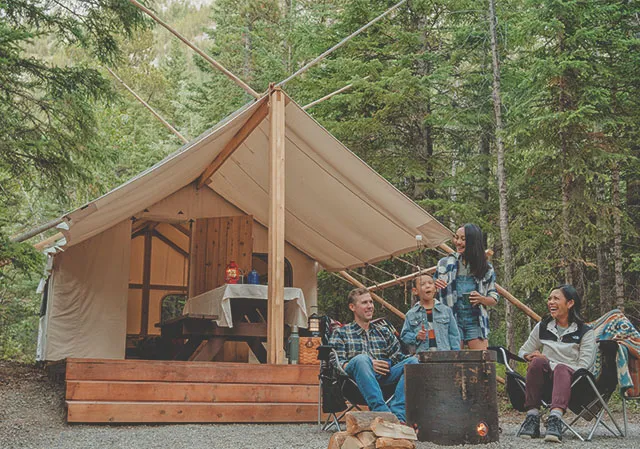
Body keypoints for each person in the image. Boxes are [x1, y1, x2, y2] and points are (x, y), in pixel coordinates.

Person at [517, 285, 596, 443]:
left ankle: (555, 420)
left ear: (570, 303)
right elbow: (522, 351)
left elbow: (584, 366)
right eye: (549, 298)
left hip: (574, 382)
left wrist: (552, 363)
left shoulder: (585, 332)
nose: (551, 302)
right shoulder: (543, 326)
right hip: (545, 382)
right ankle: (532, 417)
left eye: (556, 298)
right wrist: (528, 355)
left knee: (560, 368)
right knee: (538, 361)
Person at [329, 287, 418, 423]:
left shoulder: (384, 332)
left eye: (371, 302)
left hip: (385, 379)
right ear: (352, 307)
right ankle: (382, 414)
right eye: (364, 303)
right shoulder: (341, 333)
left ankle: (399, 418)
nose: (370, 306)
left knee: (412, 363)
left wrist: (413, 359)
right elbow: (336, 363)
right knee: (361, 359)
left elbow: (398, 357)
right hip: (353, 384)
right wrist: (368, 364)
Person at [433, 223, 498, 350]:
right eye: (456, 237)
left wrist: (481, 299)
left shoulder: (486, 267)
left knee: (481, 363)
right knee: (453, 363)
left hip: (476, 321)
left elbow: (494, 298)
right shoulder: (444, 264)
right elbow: (431, 293)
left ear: (473, 241)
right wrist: (434, 285)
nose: (457, 242)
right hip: (452, 320)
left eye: (463, 239)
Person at [400, 275, 461, 352]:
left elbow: (454, 335)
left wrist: (456, 354)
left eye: (430, 283)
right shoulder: (411, 314)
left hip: (444, 355)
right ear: (415, 291)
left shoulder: (446, 310)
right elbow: (404, 336)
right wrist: (416, 336)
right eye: (422, 284)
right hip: (422, 356)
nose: (427, 286)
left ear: (435, 288)